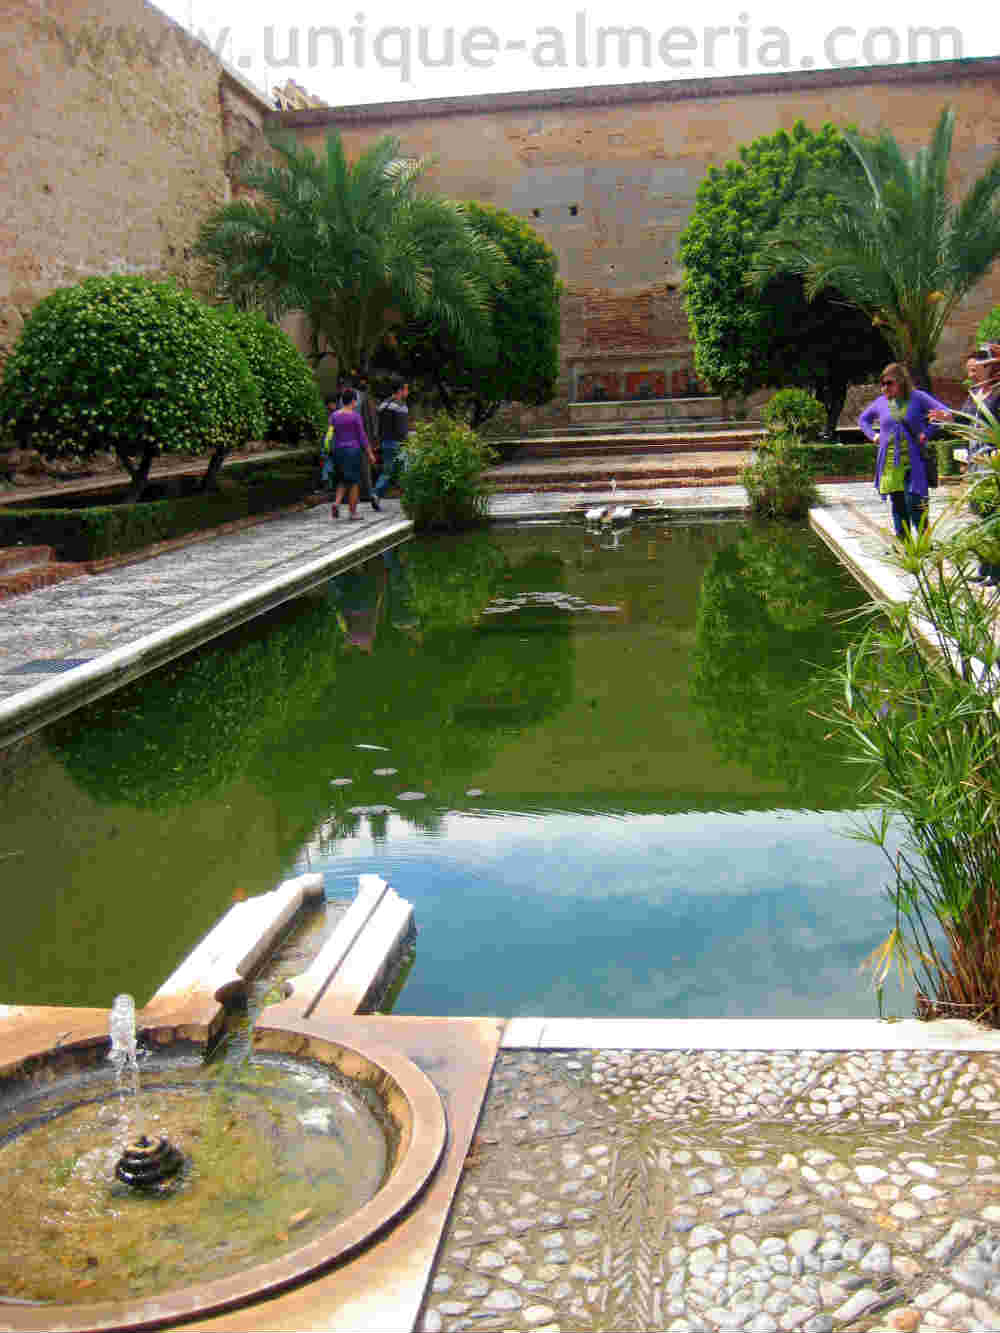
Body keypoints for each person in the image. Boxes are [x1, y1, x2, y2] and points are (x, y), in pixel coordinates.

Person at [928, 342, 1000, 583]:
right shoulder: (975, 395)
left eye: (975, 369)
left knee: (993, 516)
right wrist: (948, 417)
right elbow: (966, 421)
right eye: (968, 370)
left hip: (993, 462)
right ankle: (984, 568)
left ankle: (996, 572)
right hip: (975, 461)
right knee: (979, 515)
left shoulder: (999, 392)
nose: (970, 375)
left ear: (990, 367)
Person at [858, 363, 951, 540]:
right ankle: (904, 546)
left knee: (916, 502)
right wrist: (874, 436)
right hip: (890, 463)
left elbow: (945, 413)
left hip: (913, 462)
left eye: (889, 383)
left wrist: (927, 433)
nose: (884, 387)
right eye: (882, 383)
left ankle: (924, 545)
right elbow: (863, 420)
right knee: (898, 506)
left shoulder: (918, 398)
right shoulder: (882, 402)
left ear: (901, 381)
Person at [330, 387, 376, 520]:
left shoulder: (334, 415)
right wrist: (370, 454)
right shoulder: (355, 416)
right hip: (353, 452)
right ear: (353, 401)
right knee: (354, 483)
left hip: (338, 452)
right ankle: (353, 512)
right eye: (355, 401)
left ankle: (336, 503)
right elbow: (362, 437)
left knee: (342, 480)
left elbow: (330, 434)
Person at [373, 377, 410, 505]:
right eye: (406, 389)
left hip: (385, 443)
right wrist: (407, 441)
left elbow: (378, 425)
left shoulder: (383, 404)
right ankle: (409, 498)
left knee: (387, 471)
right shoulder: (401, 406)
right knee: (406, 470)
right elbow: (402, 428)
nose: (407, 392)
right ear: (400, 390)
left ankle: (376, 494)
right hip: (398, 443)